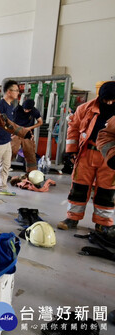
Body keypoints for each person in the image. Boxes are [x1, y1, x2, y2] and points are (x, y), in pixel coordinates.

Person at [57, 81, 115, 231]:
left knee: (106, 190)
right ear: (100, 97)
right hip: (86, 153)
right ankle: (72, 218)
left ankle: (103, 223)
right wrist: (71, 150)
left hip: (110, 157)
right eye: (105, 99)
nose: (109, 102)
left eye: (113, 100)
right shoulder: (85, 108)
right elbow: (74, 128)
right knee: (79, 187)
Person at [0, 80, 20, 196]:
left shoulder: (10, 106)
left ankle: (2, 187)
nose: (18, 93)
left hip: (7, 141)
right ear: (9, 92)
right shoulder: (0, 106)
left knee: (6, 165)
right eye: (16, 90)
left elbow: (8, 124)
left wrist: (11, 133)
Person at [11, 99, 42, 172]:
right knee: (11, 151)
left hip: (27, 133)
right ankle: (4, 171)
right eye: (25, 109)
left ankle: (32, 173)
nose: (26, 111)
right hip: (16, 131)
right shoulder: (17, 109)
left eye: (28, 110)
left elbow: (40, 122)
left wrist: (29, 128)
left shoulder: (34, 111)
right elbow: (12, 122)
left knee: (30, 153)